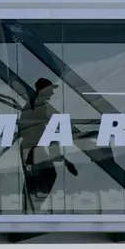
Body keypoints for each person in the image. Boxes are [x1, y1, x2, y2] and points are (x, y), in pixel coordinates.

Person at [17, 78, 78, 213]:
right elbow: (59, 122)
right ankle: (34, 204)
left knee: (34, 178)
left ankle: (30, 207)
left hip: (30, 148)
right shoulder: (42, 107)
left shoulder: (31, 106)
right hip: (35, 148)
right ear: (43, 90)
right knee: (47, 175)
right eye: (50, 90)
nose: (52, 93)